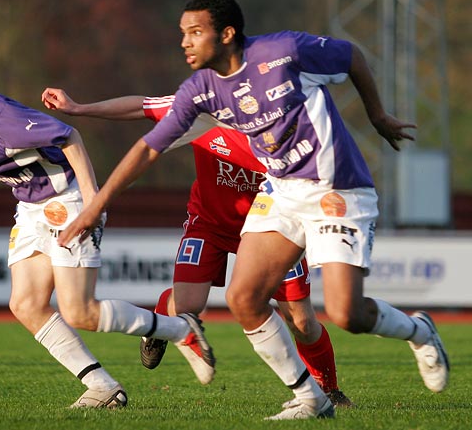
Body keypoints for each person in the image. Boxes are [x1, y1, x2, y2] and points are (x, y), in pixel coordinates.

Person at [55, 0, 449, 420]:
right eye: (182, 33)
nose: (184, 42)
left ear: (226, 34)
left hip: (336, 190)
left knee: (344, 313)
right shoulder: (199, 91)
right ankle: (310, 399)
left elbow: (350, 55)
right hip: (281, 193)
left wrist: (377, 115)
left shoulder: (284, 52)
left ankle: (418, 331)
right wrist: (94, 206)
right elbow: (147, 149)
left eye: (195, 33)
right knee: (245, 299)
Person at [0, 43, 215, 410]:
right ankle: (103, 387)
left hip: (68, 201)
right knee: (26, 304)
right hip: (30, 207)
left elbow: (68, 137)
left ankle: (181, 330)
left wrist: (93, 201)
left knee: (80, 312)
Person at [41, 89, 352, 407]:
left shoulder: (280, 123)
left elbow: (317, 173)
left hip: (273, 227)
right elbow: (141, 105)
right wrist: (80, 107)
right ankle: (162, 317)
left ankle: (328, 389)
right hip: (210, 224)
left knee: (300, 319)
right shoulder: (202, 107)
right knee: (187, 306)